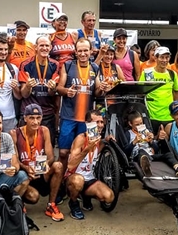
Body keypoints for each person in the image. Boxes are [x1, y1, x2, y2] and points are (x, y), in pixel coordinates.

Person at [56, 39, 102, 177]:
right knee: (64, 153)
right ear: (75, 52)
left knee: (84, 151)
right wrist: (66, 91)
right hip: (68, 116)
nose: (83, 53)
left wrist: (102, 89)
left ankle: (78, 183)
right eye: (80, 51)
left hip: (86, 120)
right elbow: (59, 88)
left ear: (90, 51)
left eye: (85, 50)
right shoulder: (68, 66)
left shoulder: (95, 68)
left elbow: (97, 92)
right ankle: (60, 185)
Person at [12, 104, 65, 221]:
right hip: (25, 175)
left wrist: (46, 163)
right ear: (25, 118)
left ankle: (51, 205)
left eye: (38, 118)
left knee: (58, 166)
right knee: (34, 197)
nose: (35, 122)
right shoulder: (15, 133)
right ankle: (20, 203)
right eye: (31, 118)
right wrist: (25, 168)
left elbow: (51, 157)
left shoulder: (44, 130)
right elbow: (14, 160)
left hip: (40, 171)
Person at [65, 110, 115, 220]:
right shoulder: (81, 138)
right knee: (78, 180)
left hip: (89, 179)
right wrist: (87, 149)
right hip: (74, 178)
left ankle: (85, 196)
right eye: (96, 122)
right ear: (88, 124)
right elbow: (70, 165)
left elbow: (102, 145)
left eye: (102, 122)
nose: (100, 125)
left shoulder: (98, 141)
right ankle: (73, 203)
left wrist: (107, 139)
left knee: (109, 197)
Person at [124, 110, 178, 177]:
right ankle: (146, 169)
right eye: (137, 124)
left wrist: (151, 141)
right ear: (130, 124)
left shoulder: (146, 131)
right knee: (141, 152)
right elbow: (126, 152)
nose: (140, 126)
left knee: (168, 154)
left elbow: (156, 149)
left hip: (151, 155)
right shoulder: (128, 134)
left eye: (141, 123)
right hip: (137, 156)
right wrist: (134, 142)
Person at [19, 36, 60, 144]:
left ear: (51, 47)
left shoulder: (55, 65)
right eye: (41, 45)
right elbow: (23, 94)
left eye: (47, 45)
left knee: (47, 148)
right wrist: (28, 86)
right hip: (28, 113)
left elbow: (52, 94)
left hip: (46, 113)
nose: (44, 48)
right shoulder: (26, 64)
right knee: (25, 147)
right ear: (35, 47)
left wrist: (52, 88)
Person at [140, 47, 178, 133]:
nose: (164, 60)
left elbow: (176, 92)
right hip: (151, 116)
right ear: (155, 58)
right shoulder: (147, 73)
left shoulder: (172, 74)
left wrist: (176, 111)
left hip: (169, 116)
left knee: (169, 143)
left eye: (167, 57)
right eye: (162, 57)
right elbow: (140, 93)